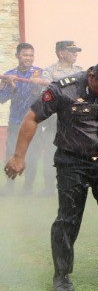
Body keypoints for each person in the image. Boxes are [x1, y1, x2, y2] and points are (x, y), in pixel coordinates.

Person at [5, 60, 98, 291]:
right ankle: (61, 275)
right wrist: (19, 156)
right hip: (72, 161)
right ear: (91, 76)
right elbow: (32, 118)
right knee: (68, 218)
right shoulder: (63, 89)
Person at [1, 43, 49, 193]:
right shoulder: (9, 74)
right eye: (25, 55)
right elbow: (1, 99)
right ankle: (9, 185)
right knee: (10, 153)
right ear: (17, 56)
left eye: (31, 55)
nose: (28, 58)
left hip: (34, 122)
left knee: (33, 155)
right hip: (16, 121)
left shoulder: (40, 74)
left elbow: (42, 96)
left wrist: (38, 84)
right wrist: (10, 85)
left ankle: (27, 187)